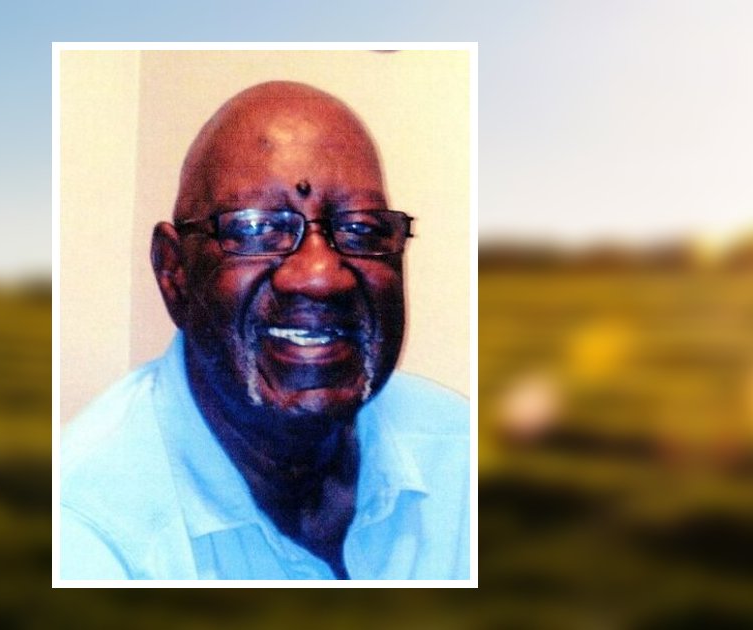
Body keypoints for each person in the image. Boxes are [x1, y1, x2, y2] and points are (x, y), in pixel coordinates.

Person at [60, 81, 470, 580]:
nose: (320, 275)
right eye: (255, 229)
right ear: (174, 273)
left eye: (362, 229)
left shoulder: (463, 459)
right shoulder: (83, 530)